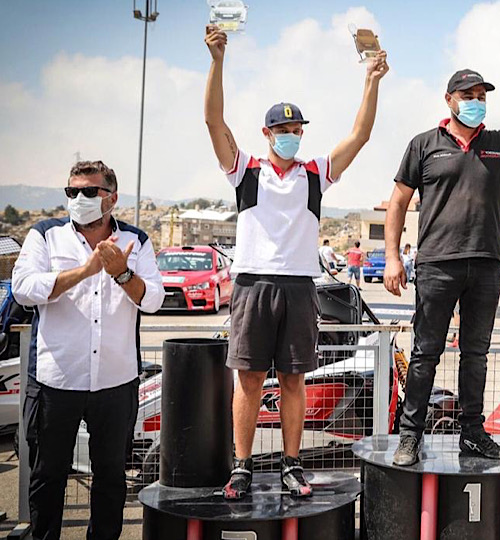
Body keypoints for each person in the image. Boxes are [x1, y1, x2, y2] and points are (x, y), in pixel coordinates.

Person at [203, 25, 388, 499]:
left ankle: (291, 463)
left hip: (300, 286)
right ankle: (242, 466)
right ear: (266, 133)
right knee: (248, 380)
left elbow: (360, 135)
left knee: (293, 379)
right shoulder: (245, 170)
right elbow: (213, 120)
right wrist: (217, 61)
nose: (290, 136)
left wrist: (371, 81)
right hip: (252, 285)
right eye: (282, 130)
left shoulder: (315, 174)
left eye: (296, 130)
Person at [383, 68, 500, 466]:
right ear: (449, 99)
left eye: (481, 96)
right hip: (437, 264)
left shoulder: (499, 143)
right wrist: (391, 257)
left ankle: (472, 433)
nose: (476, 102)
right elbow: (398, 201)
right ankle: (410, 436)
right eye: (468, 95)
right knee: (425, 353)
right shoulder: (424, 144)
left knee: (476, 355)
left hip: (486, 265)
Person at [11, 160, 165, 539]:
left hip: (115, 381)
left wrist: (122, 273)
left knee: (111, 477)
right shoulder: (45, 235)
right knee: (48, 476)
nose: (79, 198)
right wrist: (85, 270)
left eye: (89, 191)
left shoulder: (137, 240)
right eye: (72, 191)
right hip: (55, 381)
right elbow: (23, 288)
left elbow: (154, 299)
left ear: (111, 198)